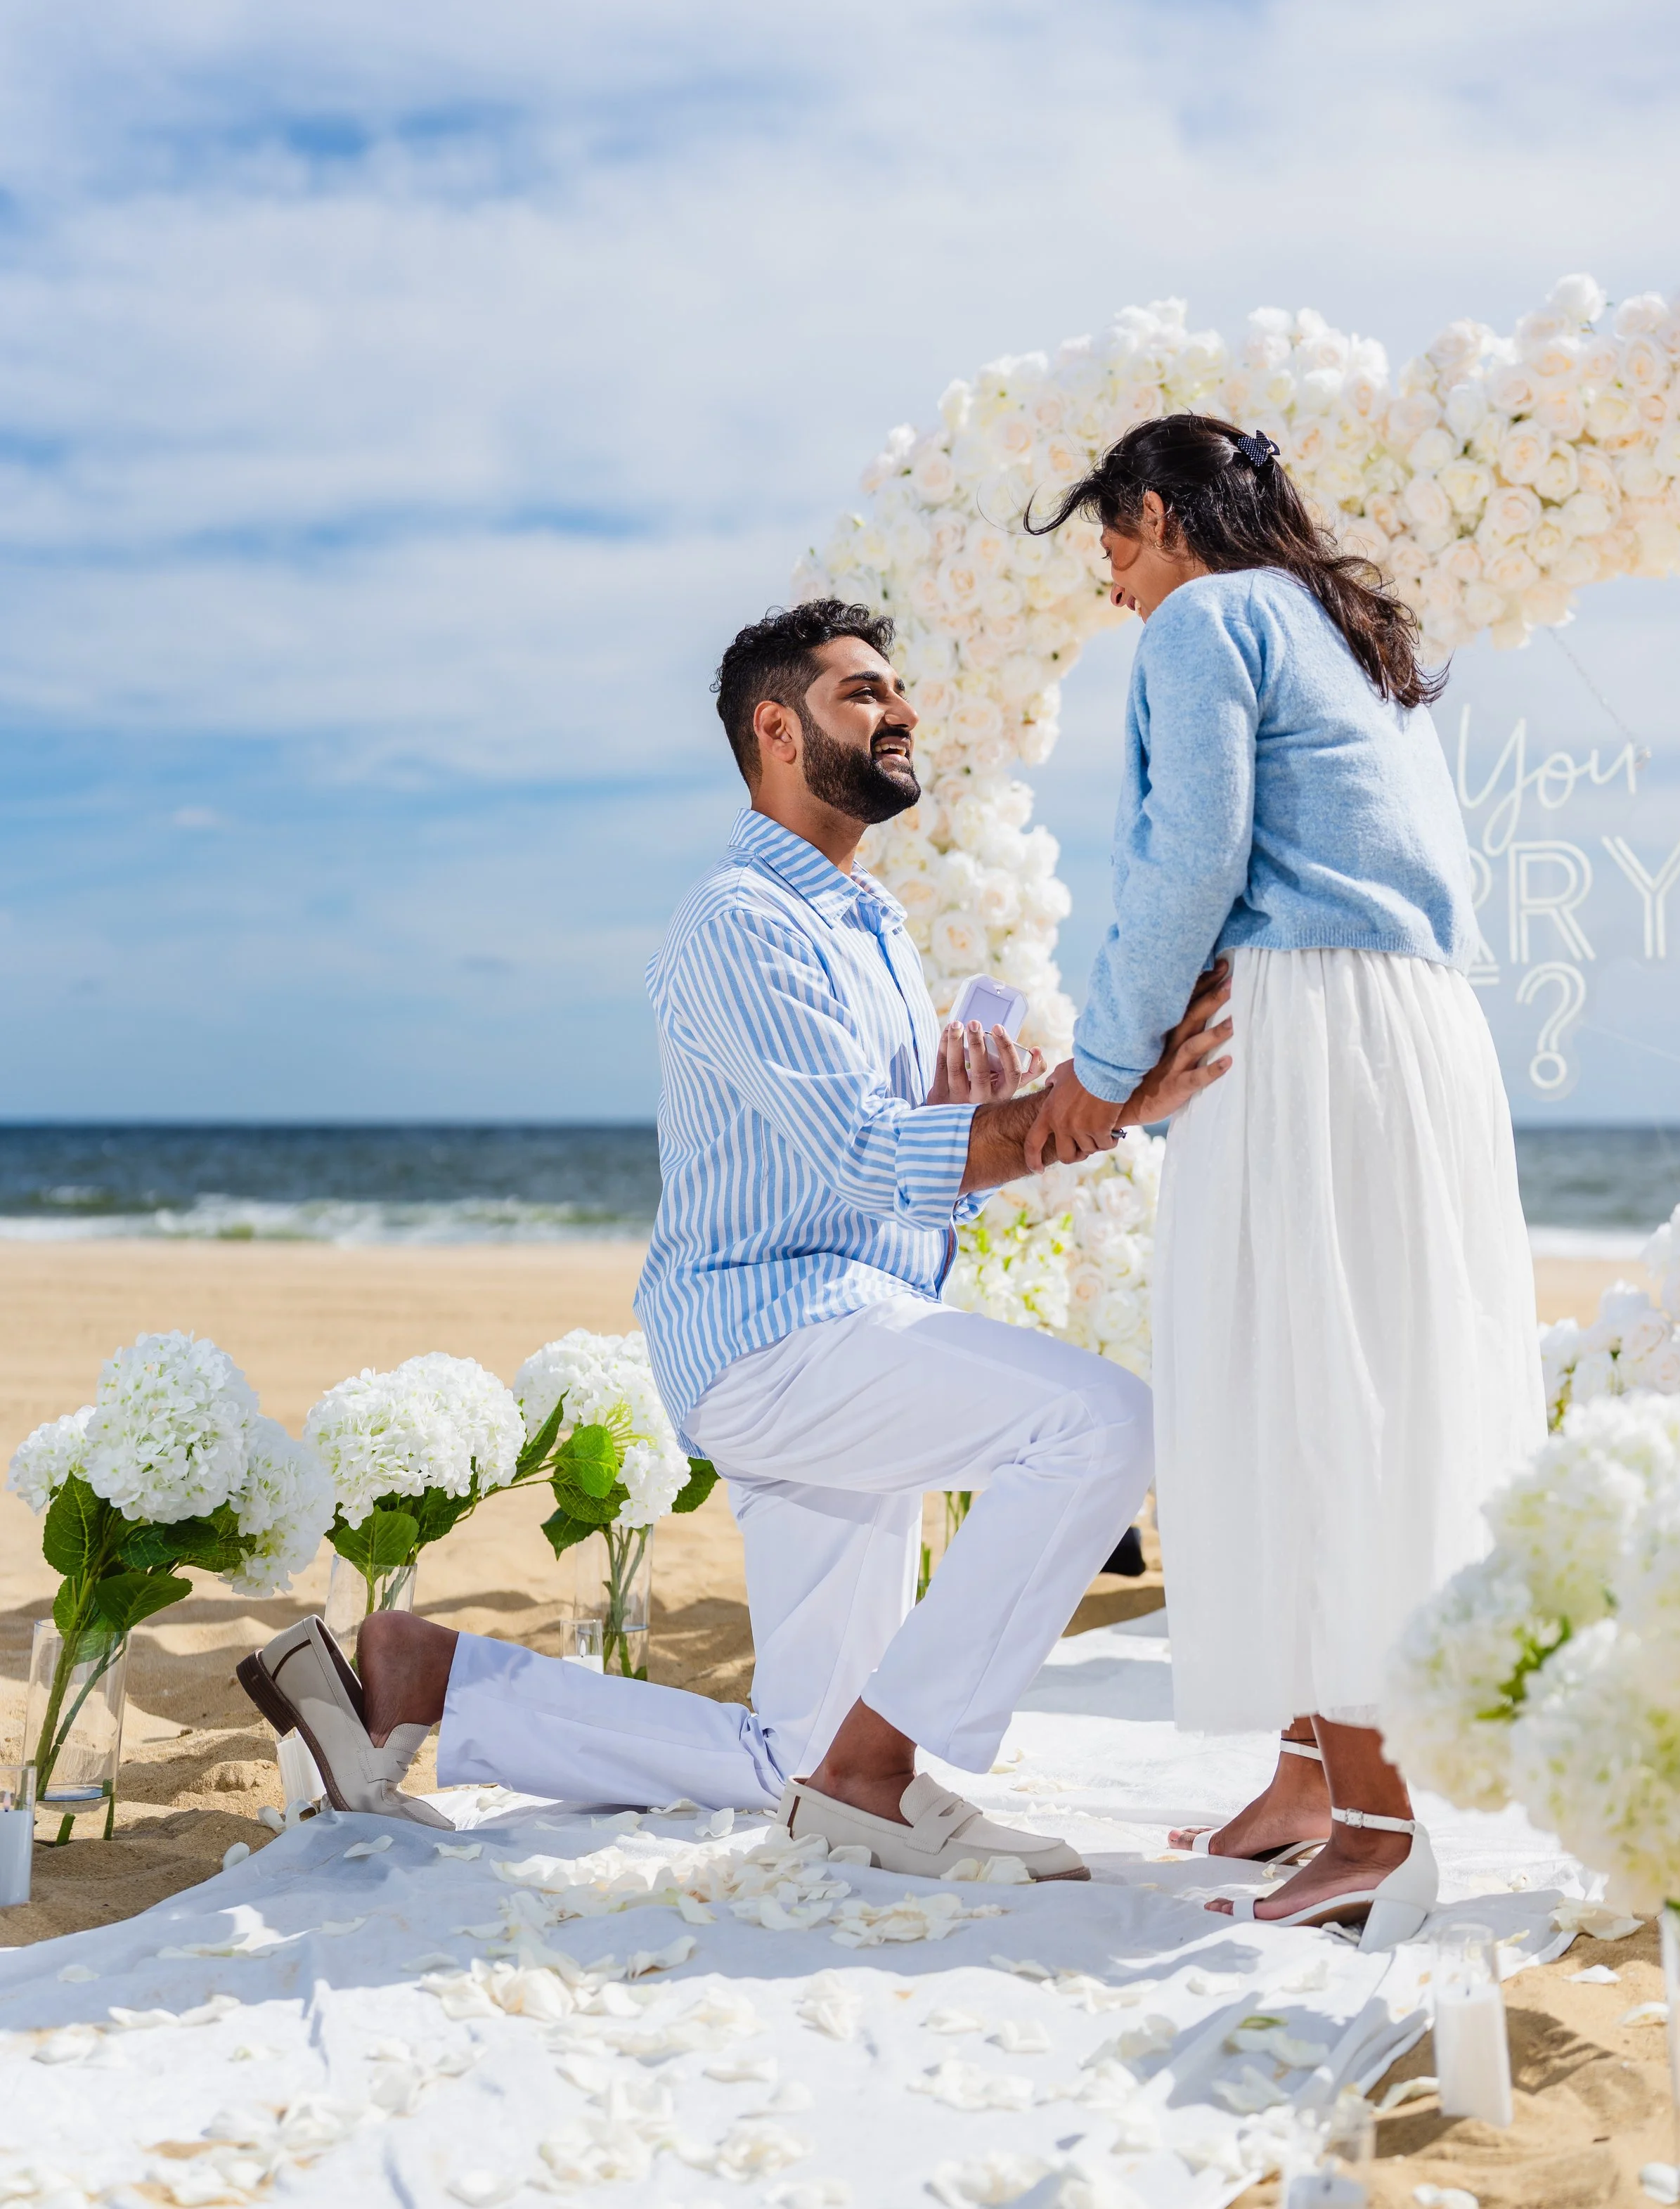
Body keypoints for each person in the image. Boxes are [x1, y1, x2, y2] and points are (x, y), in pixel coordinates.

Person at [240, 598, 1232, 1873]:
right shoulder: (741, 921)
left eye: (898, 689)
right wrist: (1086, 1112)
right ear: (777, 728)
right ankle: (884, 1776)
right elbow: (867, 1156)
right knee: (1100, 1423)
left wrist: (967, 1123)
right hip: (780, 1342)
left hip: (848, 1329)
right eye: (863, 692)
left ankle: (422, 1673)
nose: (902, 710)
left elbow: (869, 1166)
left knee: (799, 1759)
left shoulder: (867, 925)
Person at [1025, 416, 1544, 1946]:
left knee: (1301, 1394)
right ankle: (1316, 1775)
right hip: (1414, 1027)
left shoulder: (1204, 619)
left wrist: (1101, 1070)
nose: (1114, 589)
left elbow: (1187, 856)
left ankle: (1378, 1832)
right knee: (1363, 1375)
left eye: (1111, 550)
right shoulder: (1340, 631)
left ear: (1154, 515)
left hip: (1301, 1024)